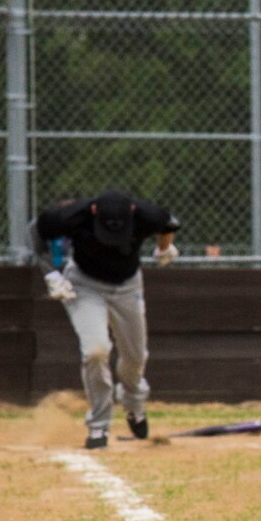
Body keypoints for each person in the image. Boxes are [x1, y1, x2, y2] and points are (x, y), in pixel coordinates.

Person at [33, 191, 181, 449]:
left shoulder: (146, 213)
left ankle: (133, 402)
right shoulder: (74, 214)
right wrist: (51, 274)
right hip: (85, 284)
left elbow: (169, 222)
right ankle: (99, 425)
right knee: (95, 351)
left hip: (128, 287)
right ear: (93, 214)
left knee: (135, 356)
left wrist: (164, 247)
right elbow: (36, 230)